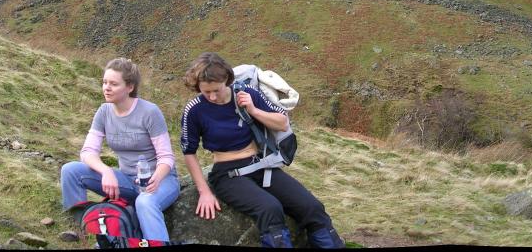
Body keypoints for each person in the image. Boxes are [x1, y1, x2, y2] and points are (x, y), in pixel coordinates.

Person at [180, 52, 343, 248]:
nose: (212, 97)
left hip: (261, 165)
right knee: (270, 209)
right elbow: (189, 151)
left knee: (312, 207)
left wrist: (253, 110)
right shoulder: (194, 109)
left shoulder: (246, 93)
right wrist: (204, 191)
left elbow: (282, 123)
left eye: (216, 90)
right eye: (206, 92)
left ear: (227, 80)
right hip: (227, 174)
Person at [59, 58, 179, 242]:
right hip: (126, 181)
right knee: (71, 170)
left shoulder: (150, 112)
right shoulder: (104, 112)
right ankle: (84, 231)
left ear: (129, 87)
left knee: (145, 202)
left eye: (113, 84)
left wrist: (156, 179)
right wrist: (106, 171)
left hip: (160, 181)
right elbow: (88, 151)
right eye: (105, 82)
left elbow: (166, 157)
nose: (106, 88)